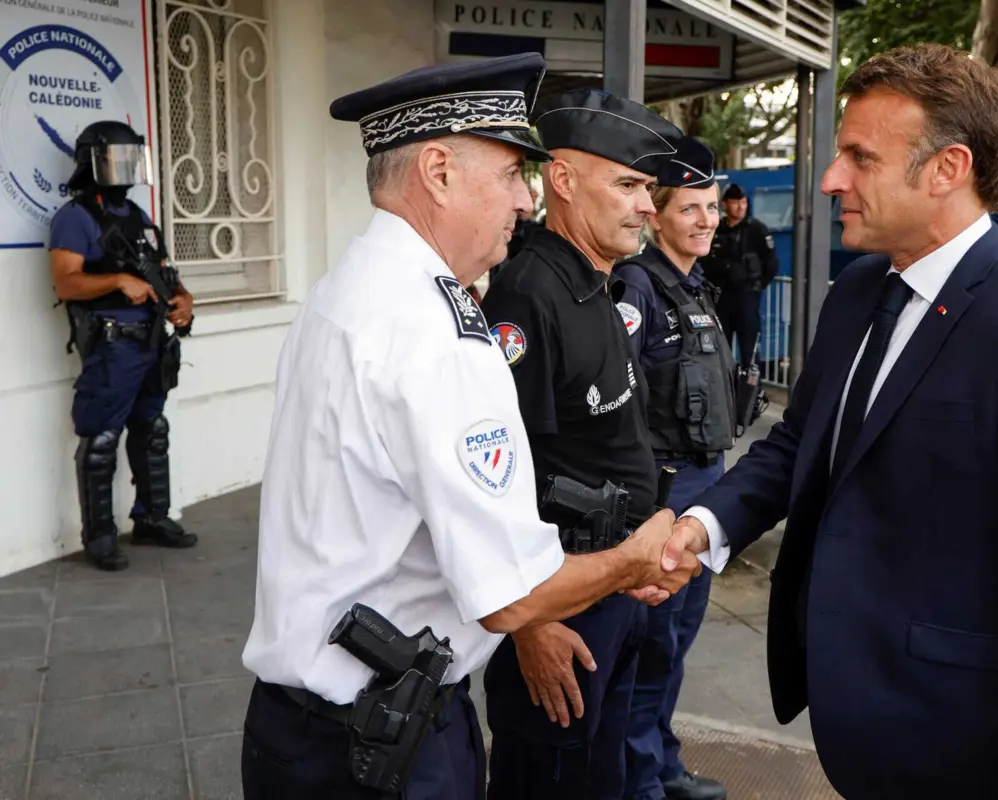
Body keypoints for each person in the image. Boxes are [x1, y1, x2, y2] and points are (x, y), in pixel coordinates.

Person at [663, 44, 998, 800]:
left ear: (947, 169)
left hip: (969, 749)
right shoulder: (859, 290)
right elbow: (800, 445)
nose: (830, 181)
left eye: (860, 158)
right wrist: (701, 527)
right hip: (859, 728)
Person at [239, 55, 699, 800]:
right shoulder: (438, 336)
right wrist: (636, 559)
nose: (525, 198)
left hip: (299, 730)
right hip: (385, 744)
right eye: (515, 172)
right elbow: (511, 598)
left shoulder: (345, 291)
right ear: (439, 171)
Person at [478, 87, 686, 800]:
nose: (647, 207)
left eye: (648, 189)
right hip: (558, 611)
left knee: (604, 776)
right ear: (562, 181)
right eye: (629, 185)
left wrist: (637, 564)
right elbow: (501, 481)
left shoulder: (602, 282)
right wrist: (528, 626)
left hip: (616, 587)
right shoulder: (526, 296)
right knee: (549, 779)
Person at [612, 137, 733, 800]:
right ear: (657, 217)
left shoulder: (694, 286)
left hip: (702, 487)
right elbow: (622, 401)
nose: (708, 219)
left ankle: (662, 762)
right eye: (691, 208)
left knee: (677, 643)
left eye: (712, 207)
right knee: (652, 646)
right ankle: (640, 781)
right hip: (666, 492)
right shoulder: (638, 286)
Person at [48, 120, 197, 572]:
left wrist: (183, 300)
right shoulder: (74, 218)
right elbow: (66, 281)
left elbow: (165, 273)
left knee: (152, 430)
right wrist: (117, 280)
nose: (126, 169)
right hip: (113, 347)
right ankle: (100, 537)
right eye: (117, 159)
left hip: (151, 343)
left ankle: (152, 518)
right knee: (101, 440)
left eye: (132, 159)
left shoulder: (137, 216)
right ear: (92, 162)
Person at [701, 183, 777, 373]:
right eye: (736, 202)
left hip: (746, 298)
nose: (741, 207)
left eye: (743, 202)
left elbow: (771, 263)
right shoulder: (717, 230)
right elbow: (705, 263)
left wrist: (756, 287)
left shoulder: (757, 230)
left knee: (750, 352)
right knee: (720, 350)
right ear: (725, 204)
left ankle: (751, 397)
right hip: (722, 299)